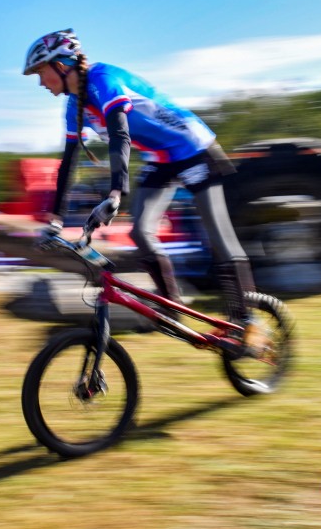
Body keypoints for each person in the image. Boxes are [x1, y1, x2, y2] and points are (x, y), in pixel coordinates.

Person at [23, 29, 257, 327]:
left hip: (195, 148)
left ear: (63, 64)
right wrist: (54, 220)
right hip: (162, 159)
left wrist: (115, 193)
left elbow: (120, 135)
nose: (41, 83)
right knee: (141, 232)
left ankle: (248, 320)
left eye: (42, 73)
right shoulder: (73, 107)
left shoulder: (104, 79)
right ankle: (173, 307)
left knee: (218, 235)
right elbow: (68, 163)